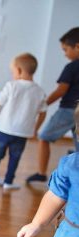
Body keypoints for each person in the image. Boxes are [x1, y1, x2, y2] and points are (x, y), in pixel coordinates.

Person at [0, 53, 47, 190]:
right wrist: (35, 129)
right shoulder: (39, 91)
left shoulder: (11, 85)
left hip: (4, 129)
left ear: (19, 70)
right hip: (22, 132)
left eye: (12, 71)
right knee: (15, 157)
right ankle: (8, 182)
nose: (12, 74)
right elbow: (43, 112)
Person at [26, 27, 79, 184]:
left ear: (77, 46)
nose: (65, 54)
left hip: (69, 109)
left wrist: (43, 103)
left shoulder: (72, 67)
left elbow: (61, 90)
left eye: (66, 49)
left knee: (43, 137)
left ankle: (41, 173)